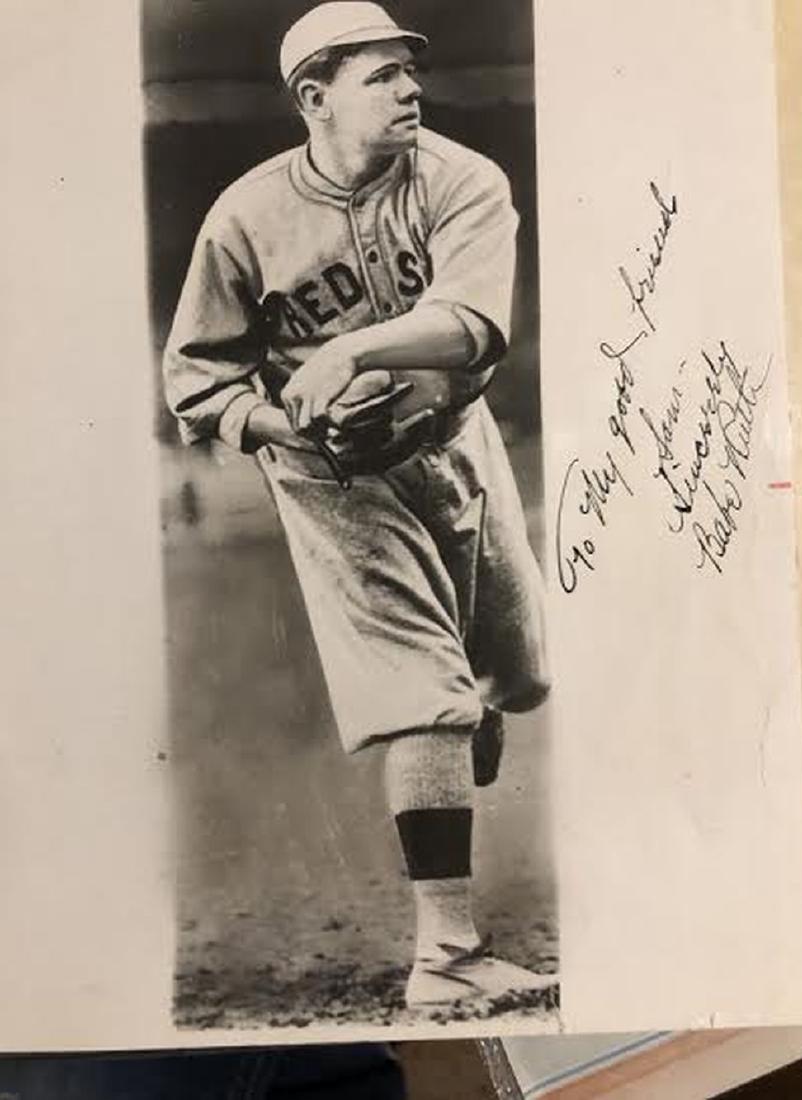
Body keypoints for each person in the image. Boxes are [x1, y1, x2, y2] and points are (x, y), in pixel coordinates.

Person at [164, 0, 554, 1011]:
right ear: (314, 96)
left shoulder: (466, 180)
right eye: (382, 75)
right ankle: (449, 955)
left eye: (409, 72)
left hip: (456, 444)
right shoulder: (244, 219)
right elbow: (196, 379)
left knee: (520, 670)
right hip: (332, 475)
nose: (411, 88)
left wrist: (349, 347)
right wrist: (287, 428)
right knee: (425, 693)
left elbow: (471, 325)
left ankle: (465, 711)